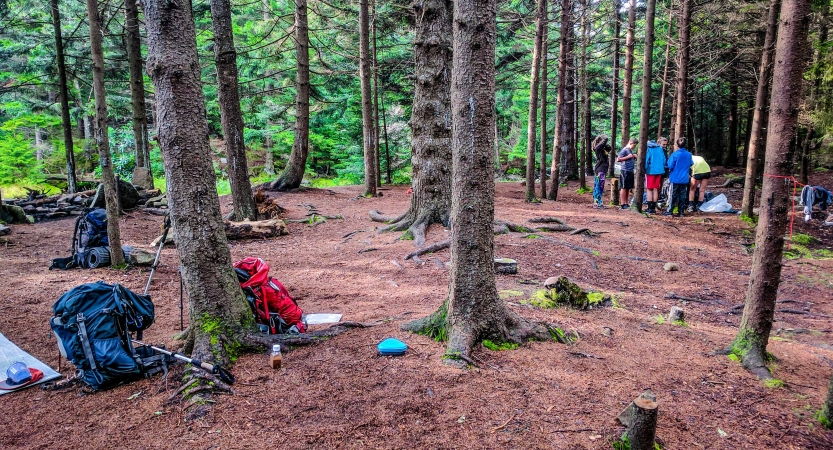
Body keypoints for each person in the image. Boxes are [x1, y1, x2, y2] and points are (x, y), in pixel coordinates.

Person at [663, 137, 693, 217]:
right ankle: (681, 212)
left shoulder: (675, 154)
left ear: (677, 145)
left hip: (675, 178)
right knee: (682, 195)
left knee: (673, 194)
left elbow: (670, 165)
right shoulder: (689, 154)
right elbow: (691, 163)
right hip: (684, 179)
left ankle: (670, 211)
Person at [644, 137, 667, 214]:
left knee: (649, 189)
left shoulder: (648, 148)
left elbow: (647, 160)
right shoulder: (660, 148)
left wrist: (644, 169)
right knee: (655, 189)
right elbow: (664, 160)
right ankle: (653, 208)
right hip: (659, 171)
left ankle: (650, 208)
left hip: (650, 171)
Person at [617, 138, 638, 210]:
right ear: (631, 143)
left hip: (630, 170)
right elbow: (618, 159)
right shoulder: (624, 150)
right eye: (634, 145)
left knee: (628, 187)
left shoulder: (630, 150)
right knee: (623, 187)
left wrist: (633, 157)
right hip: (625, 171)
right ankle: (622, 204)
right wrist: (628, 157)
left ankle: (626, 203)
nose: (634, 147)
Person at [592, 135, 611, 208]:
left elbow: (609, 148)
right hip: (600, 170)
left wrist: (606, 145)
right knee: (599, 186)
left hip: (602, 170)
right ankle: (597, 203)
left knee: (600, 186)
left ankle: (598, 202)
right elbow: (605, 140)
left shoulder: (603, 149)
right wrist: (604, 138)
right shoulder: (598, 148)